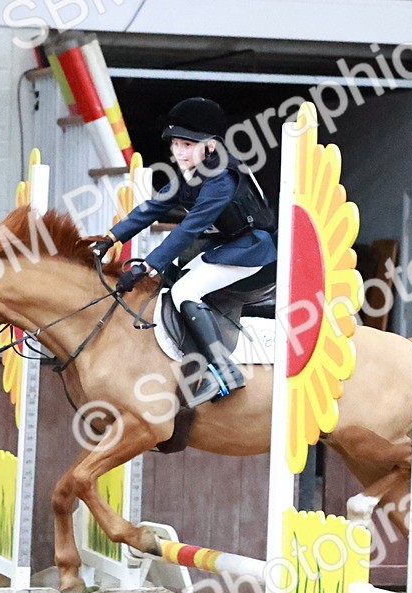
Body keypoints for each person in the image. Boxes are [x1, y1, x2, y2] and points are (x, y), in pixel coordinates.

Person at [90, 97, 276, 406]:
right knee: (176, 283)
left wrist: (147, 266)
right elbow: (151, 208)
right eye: (176, 144)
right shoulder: (191, 175)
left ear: (211, 146)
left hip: (251, 249)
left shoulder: (221, 179)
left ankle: (225, 371)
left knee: (185, 291)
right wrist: (110, 238)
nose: (179, 152)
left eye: (187, 145)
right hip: (226, 247)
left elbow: (189, 228)